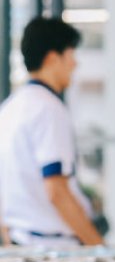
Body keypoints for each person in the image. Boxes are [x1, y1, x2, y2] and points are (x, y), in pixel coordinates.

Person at [0, 17, 103, 248]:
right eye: (71, 55)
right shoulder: (48, 109)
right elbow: (56, 190)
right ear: (52, 58)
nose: (75, 64)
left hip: (21, 244)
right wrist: (99, 248)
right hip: (54, 249)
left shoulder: (9, 108)